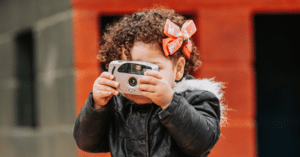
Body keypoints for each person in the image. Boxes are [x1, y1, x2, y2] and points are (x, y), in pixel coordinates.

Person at [73, 7, 226, 157]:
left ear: (178, 68)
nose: (139, 79)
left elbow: (201, 143)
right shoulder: (117, 106)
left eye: (150, 69)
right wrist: (97, 105)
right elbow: (86, 143)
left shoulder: (197, 99)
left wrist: (169, 102)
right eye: (128, 69)